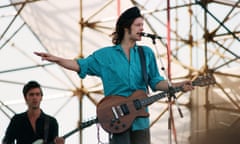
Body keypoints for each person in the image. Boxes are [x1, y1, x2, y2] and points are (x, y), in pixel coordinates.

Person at [34, 6, 194, 144]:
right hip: (117, 118)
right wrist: (57, 59)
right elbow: (79, 65)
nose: (142, 29)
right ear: (126, 27)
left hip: (141, 120)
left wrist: (179, 85)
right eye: (138, 25)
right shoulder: (106, 55)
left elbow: (156, 82)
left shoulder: (146, 53)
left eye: (142, 25)